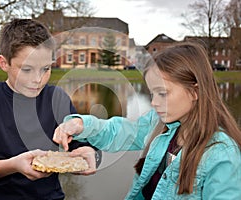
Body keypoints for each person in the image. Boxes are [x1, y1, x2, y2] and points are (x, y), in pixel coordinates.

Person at [53, 42, 241, 199]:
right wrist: (80, 124)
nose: (153, 102)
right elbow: (119, 131)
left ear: (195, 91)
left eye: (162, 93)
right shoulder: (159, 124)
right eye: (152, 93)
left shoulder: (222, 156)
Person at [0, 18, 99, 200]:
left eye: (46, 69)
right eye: (26, 69)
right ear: (4, 63)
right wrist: (13, 165)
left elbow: (82, 145)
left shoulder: (56, 98)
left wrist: (91, 154)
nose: (38, 79)